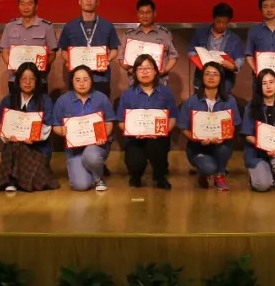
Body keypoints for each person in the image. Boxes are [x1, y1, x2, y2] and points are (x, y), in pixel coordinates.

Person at [117, 53, 178, 189]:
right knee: (135, 162)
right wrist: (132, 132)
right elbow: (121, 121)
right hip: (135, 138)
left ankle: (160, 176)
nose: (144, 72)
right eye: (140, 69)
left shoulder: (166, 92)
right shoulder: (127, 94)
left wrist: (163, 131)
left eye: (148, 68)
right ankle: (136, 176)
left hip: (158, 138)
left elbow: (173, 117)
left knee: (157, 147)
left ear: (155, 71)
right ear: (135, 73)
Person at [0, 62, 58, 192]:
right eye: (23, 78)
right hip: (13, 145)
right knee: (15, 145)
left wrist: (34, 137)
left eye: (32, 78)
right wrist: (7, 137)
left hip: (38, 148)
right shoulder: (8, 100)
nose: (27, 82)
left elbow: (47, 126)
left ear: (37, 81)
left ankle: (12, 180)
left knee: (20, 147)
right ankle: (13, 181)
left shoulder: (45, 100)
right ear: (18, 80)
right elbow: (0, 125)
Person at [51, 65, 116, 191]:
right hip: (74, 149)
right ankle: (91, 169)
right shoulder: (62, 101)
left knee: (91, 155)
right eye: (78, 80)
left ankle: (98, 178)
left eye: (85, 79)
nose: (82, 83)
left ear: (91, 81)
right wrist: (61, 131)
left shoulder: (101, 98)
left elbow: (109, 122)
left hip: (97, 145)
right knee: (81, 185)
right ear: (72, 81)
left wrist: (103, 136)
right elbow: (55, 125)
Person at [178, 62, 240, 191]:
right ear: (202, 77)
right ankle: (203, 174)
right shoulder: (191, 101)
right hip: (198, 146)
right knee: (209, 168)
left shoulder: (230, 101)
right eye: (207, 74)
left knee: (224, 148)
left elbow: (233, 125)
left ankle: (220, 176)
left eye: (215, 74)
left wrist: (223, 137)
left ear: (221, 78)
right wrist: (195, 138)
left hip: (220, 144)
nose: (211, 77)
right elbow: (183, 128)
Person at [57, 0, 120, 97]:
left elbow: (114, 49)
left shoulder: (107, 25)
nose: (88, 0)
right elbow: (63, 50)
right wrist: (70, 60)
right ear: (79, 1)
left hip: (100, 78)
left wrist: (107, 60)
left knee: (100, 106)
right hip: (78, 78)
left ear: (97, 2)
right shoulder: (70, 26)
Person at [0, 0, 58, 81]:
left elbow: (52, 54)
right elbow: (5, 52)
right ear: (18, 6)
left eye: (29, 4)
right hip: (15, 78)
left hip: (38, 79)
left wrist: (37, 68)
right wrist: (13, 66)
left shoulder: (47, 26)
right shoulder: (10, 26)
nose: (25, 7)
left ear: (36, 6)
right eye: (22, 4)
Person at [187, 2, 244, 93]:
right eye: (218, 22)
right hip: (201, 80)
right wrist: (198, 58)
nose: (221, 25)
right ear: (213, 19)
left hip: (224, 82)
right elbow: (191, 52)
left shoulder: (235, 39)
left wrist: (233, 67)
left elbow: (240, 59)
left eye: (224, 23)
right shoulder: (200, 33)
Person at [120, 0, 178, 80]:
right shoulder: (129, 35)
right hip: (136, 80)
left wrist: (165, 70)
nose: (145, 16)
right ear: (137, 14)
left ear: (154, 13)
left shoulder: (164, 33)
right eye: (142, 13)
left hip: (159, 79)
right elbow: (121, 58)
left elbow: (173, 56)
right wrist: (130, 70)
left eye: (148, 12)